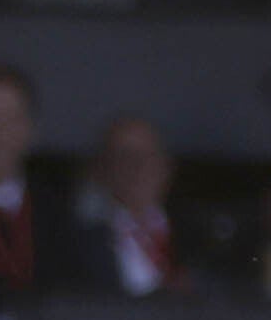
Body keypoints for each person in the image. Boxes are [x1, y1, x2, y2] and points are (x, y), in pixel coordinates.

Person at [58, 113, 184, 299]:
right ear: (101, 169)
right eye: (124, 157)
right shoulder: (76, 244)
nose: (138, 167)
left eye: (147, 155)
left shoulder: (196, 235)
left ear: (166, 166)